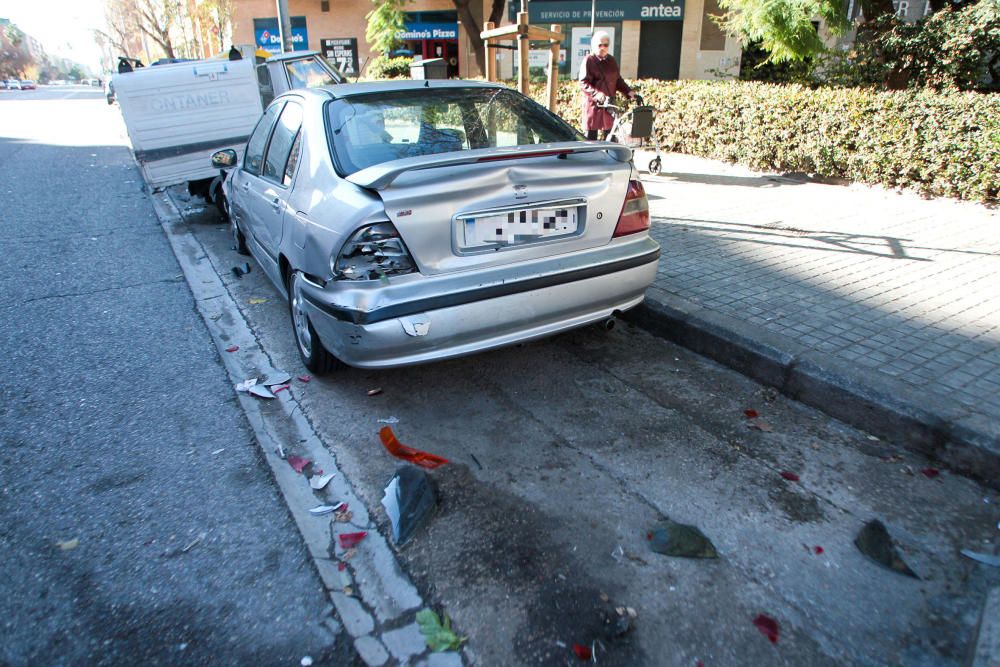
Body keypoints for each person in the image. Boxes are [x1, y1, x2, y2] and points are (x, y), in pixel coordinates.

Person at [578, 31, 636, 140]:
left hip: (609, 105)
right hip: (594, 106)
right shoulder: (589, 60)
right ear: (594, 45)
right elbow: (583, 82)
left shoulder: (611, 60)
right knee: (591, 139)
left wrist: (629, 92)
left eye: (606, 45)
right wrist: (597, 94)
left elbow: (617, 80)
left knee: (611, 136)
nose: (603, 48)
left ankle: (609, 156)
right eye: (600, 45)